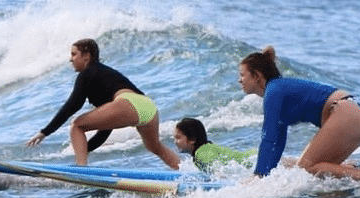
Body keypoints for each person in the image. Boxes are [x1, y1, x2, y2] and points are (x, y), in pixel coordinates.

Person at [239, 45, 360, 183]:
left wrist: (258, 176)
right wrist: (266, 175)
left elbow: (269, 138)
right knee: (306, 167)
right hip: (357, 114)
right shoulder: (278, 89)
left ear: (257, 76)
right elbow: (277, 141)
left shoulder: (274, 90)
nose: (240, 80)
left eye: (242, 75)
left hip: (348, 112)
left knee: (304, 169)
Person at [25, 38, 180, 168]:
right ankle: (185, 171)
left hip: (128, 103)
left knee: (77, 125)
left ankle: (81, 170)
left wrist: (44, 132)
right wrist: (85, 149)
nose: (70, 59)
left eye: (74, 54)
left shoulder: (87, 73)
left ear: (86, 56)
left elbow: (73, 105)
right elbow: (105, 130)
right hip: (148, 107)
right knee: (155, 147)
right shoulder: (104, 75)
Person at [174, 117, 255, 172]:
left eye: (178, 138)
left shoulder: (202, 153)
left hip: (252, 160)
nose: (175, 142)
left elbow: (217, 170)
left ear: (192, 139)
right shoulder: (203, 150)